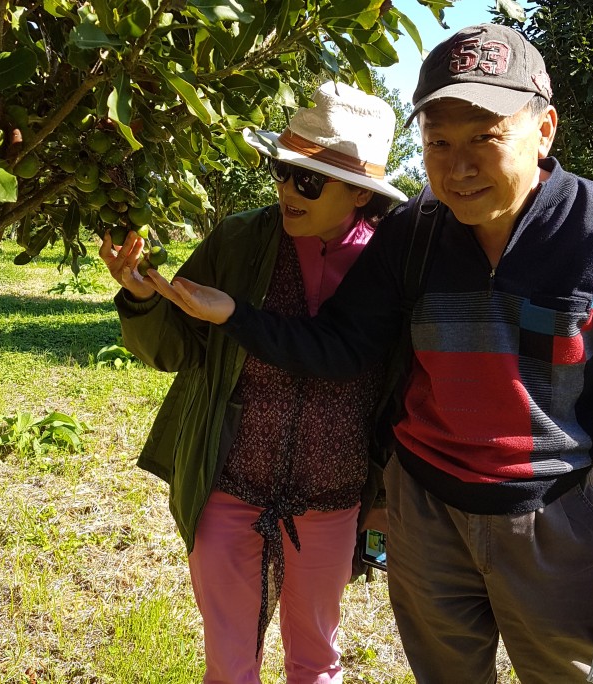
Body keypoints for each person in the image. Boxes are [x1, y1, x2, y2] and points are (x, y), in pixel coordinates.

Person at [145, 24, 593, 684]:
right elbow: (342, 347)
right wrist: (234, 315)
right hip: (426, 514)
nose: (457, 165)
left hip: (552, 517)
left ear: (543, 130)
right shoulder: (414, 233)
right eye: (438, 143)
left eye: (485, 138)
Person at [100, 80, 407, 683]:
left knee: (316, 660)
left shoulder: (388, 261)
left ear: (358, 192)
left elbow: (399, 382)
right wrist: (140, 296)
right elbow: (177, 349)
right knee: (229, 663)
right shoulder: (240, 240)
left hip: (332, 499)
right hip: (229, 486)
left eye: (308, 179)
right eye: (281, 170)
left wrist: (387, 500)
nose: (287, 189)